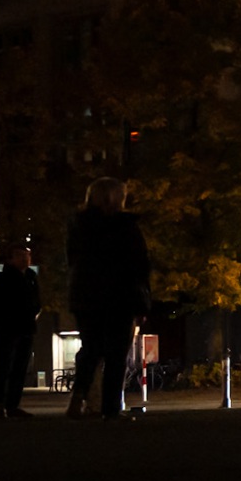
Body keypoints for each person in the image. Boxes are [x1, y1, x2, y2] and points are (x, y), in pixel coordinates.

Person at [67, 178, 152, 422]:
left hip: (86, 296)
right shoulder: (125, 226)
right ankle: (111, 408)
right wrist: (142, 302)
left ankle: (79, 395)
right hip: (120, 296)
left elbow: (72, 260)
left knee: (90, 349)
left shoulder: (79, 225)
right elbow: (139, 264)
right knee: (116, 354)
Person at [0, 244, 41, 419]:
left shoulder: (30, 278)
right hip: (6, 328)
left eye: (27, 255)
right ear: (11, 259)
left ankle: (11, 405)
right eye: (20, 255)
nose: (25, 259)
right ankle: (1, 404)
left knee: (17, 367)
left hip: (23, 328)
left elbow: (36, 302)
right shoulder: (2, 279)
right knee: (2, 366)